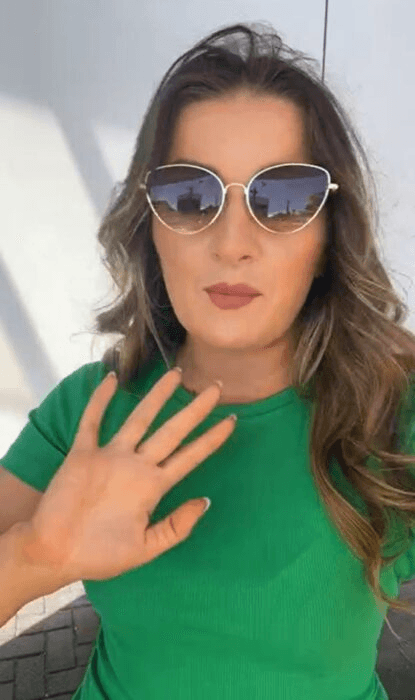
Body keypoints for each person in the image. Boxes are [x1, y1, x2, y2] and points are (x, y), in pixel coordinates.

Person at [1, 21, 415, 700]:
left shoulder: (392, 412)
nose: (231, 243)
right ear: (150, 228)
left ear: (327, 239)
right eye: (188, 195)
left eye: (283, 198)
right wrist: (35, 560)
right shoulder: (92, 412)